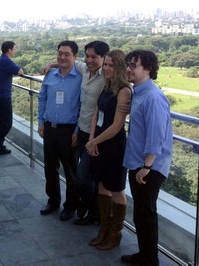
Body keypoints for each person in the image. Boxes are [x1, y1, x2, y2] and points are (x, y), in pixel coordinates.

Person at [121, 50, 173, 265]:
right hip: (139, 163)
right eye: (128, 65)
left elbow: (156, 136)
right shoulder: (139, 92)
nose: (129, 69)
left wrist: (147, 166)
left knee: (146, 214)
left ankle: (150, 259)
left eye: (134, 65)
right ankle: (145, 255)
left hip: (148, 167)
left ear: (148, 69)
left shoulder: (153, 97)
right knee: (141, 214)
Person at [86, 49, 132, 250]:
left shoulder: (124, 90)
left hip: (114, 145)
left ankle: (115, 233)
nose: (106, 68)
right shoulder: (107, 87)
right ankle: (104, 229)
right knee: (102, 185)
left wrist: (95, 141)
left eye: (111, 65)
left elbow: (117, 125)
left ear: (120, 67)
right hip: (99, 141)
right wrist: (91, 138)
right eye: (105, 64)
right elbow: (97, 113)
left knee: (116, 188)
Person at [38, 40, 82, 221]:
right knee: (50, 167)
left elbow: (83, 107)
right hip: (49, 128)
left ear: (75, 57)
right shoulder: (50, 76)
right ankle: (53, 201)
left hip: (68, 131)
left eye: (67, 54)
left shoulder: (81, 78)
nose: (62, 57)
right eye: (60, 53)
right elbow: (42, 99)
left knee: (71, 171)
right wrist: (41, 122)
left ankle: (70, 206)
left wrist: (77, 131)